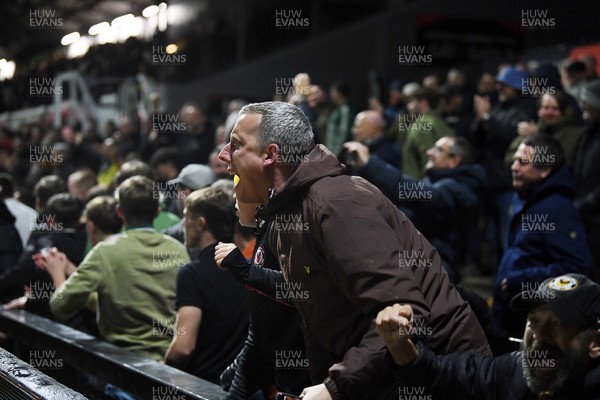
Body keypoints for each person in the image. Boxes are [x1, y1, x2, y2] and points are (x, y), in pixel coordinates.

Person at [218, 101, 491, 400]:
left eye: (235, 144)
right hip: (391, 380)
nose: (223, 155)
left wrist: (335, 387)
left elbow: (404, 316)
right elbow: (321, 325)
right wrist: (328, 384)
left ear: (271, 155)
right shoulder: (287, 215)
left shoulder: (336, 202)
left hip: (444, 379)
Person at [375, 273, 600, 400]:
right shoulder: (515, 371)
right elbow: (437, 375)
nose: (540, 335)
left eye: (558, 324)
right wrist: (399, 343)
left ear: (596, 343)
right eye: (533, 320)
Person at [49, 176, 190, 361]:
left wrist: (57, 272)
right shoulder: (178, 251)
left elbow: (60, 305)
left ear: (120, 212)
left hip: (122, 366)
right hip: (173, 369)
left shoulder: (106, 251)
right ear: (156, 212)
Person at [214, 182, 312, 399]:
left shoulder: (286, 227)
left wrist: (245, 269)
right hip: (273, 358)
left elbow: (304, 290)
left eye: (238, 190)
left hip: (307, 370)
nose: (234, 198)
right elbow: (262, 316)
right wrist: (240, 367)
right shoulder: (266, 229)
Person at [344, 135, 485, 282]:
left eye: (438, 150)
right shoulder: (436, 182)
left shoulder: (455, 189)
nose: (429, 152)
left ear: (454, 161)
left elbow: (405, 188)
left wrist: (369, 163)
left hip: (436, 270)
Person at [492, 135, 592, 337]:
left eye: (523, 162)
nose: (514, 167)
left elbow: (575, 269)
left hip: (532, 327)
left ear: (545, 170)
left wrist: (520, 282)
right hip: (510, 320)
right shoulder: (528, 201)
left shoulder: (558, 210)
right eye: (515, 160)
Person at [165, 187, 248, 383]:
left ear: (201, 223)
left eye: (186, 217)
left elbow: (183, 348)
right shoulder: (250, 269)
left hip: (203, 386)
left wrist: (163, 368)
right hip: (242, 387)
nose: (183, 224)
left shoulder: (191, 274)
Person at [506, 91, 583, 170]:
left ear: (563, 112)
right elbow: (508, 158)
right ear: (539, 111)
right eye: (546, 108)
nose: (550, 112)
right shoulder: (532, 130)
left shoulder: (573, 133)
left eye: (555, 108)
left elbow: (560, 161)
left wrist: (538, 137)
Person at [574, 80, 600, 281]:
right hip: (586, 219)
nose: (582, 106)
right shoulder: (587, 134)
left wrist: (586, 203)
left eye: (586, 102)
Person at [402, 88, 453, 179]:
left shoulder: (422, 124)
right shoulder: (439, 122)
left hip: (420, 187)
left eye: (411, 102)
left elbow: (427, 161)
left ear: (423, 102)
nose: (408, 107)